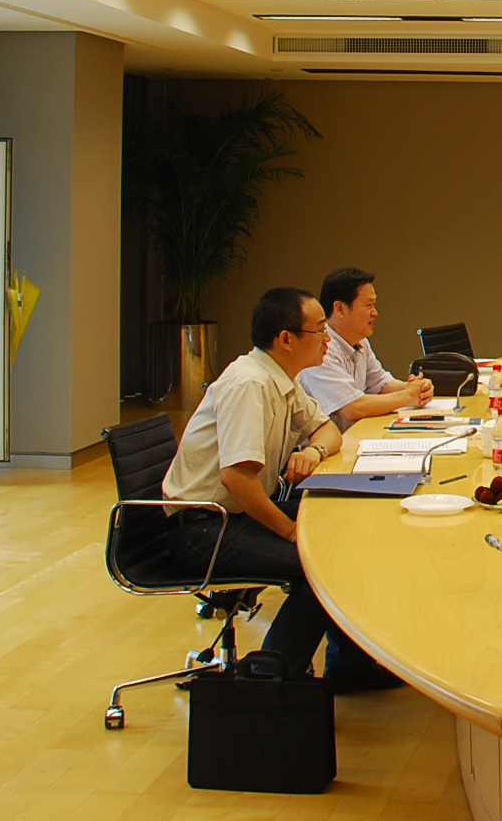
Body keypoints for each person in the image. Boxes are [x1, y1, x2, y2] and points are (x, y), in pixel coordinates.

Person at [161, 286, 400, 692]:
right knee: (320, 565)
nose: (327, 340)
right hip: (203, 528)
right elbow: (236, 479)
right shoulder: (249, 383)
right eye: (319, 330)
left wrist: (313, 450)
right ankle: (269, 681)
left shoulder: (281, 380)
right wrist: (289, 531)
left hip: (234, 514)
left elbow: (327, 431)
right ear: (286, 339)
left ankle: (349, 666)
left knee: (349, 531)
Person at [298, 267, 434, 430]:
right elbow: (352, 407)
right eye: (368, 305)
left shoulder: (360, 341)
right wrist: (407, 396)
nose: (375, 313)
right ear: (340, 309)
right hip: (324, 443)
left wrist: (417, 388)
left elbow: (380, 384)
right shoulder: (320, 348)